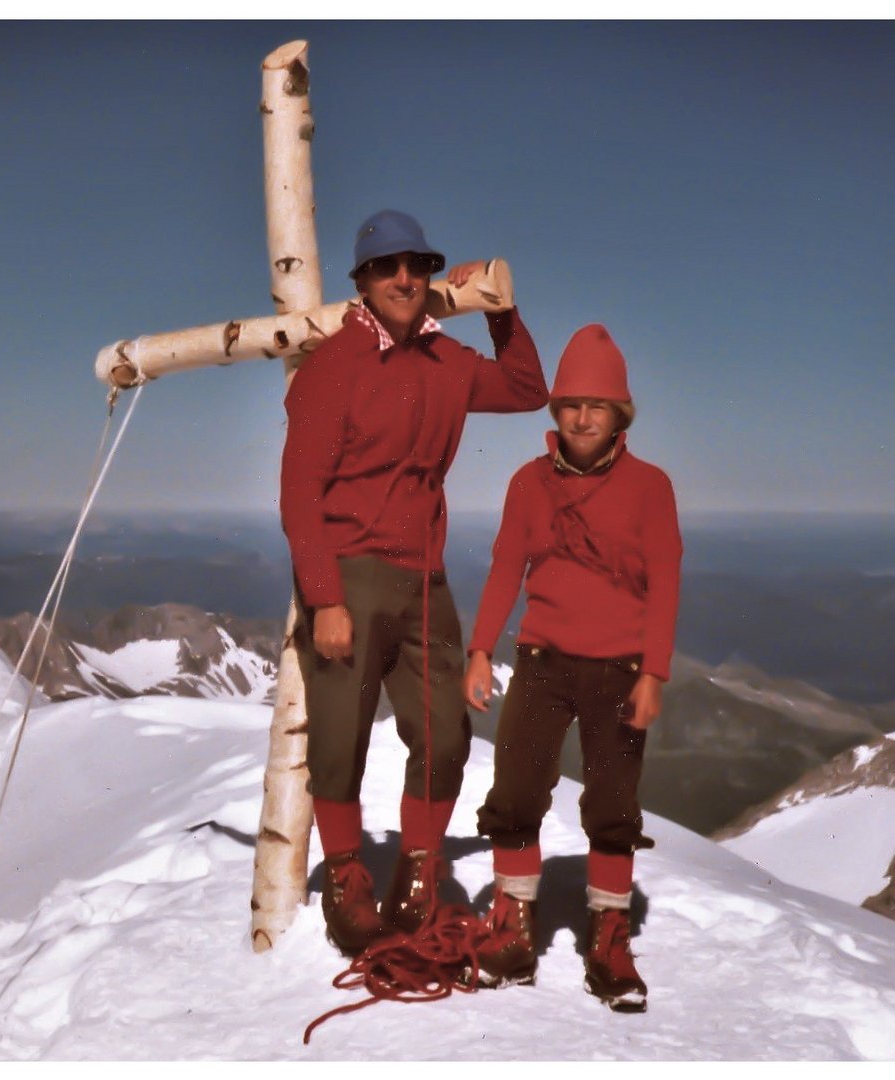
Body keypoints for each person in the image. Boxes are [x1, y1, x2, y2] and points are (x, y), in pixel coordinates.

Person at [280, 209, 549, 956]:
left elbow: (528, 388)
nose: (405, 279)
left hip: (423, 579)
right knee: (340, 740)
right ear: (362, 281)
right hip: (351, 574)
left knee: (446, 734)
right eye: (387, 267)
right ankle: (346, 880)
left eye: (418, 266)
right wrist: (325, 596)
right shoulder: (333, 366)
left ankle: (417, 872)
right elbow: (301, 490)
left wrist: (502, 310)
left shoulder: (448, 362)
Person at [461, 322, 682, 1011]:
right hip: (541, 661)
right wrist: (478, 650)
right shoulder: (528, 483)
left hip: (619, 668)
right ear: (554, 411)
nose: (583, 416)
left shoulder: (651, 486)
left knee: (613, 803)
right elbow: (505, 567)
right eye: (570, 404)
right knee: (518, 790)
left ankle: (609, 937)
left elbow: (666, 582)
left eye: (598, 405)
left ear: (621, 414)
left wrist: (655, 674)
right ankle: (512, 926)